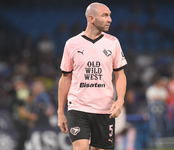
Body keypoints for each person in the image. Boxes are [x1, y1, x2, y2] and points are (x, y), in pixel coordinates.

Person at [57, 2, 127, 150]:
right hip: (78, 108)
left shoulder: (113, 42)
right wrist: (60, 112)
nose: (110, 19)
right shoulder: (72, 44)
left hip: (104, 109)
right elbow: (65, 78)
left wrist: (120, 100)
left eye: (110, 15)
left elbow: (120, 75)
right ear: (91, 18)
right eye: (105, 15)